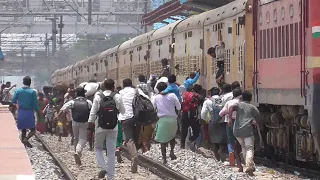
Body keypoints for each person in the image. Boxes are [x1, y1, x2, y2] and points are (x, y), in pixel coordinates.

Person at [88, 79, 125, 179]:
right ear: (113, 86)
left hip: (100, 127)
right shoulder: (117, 96)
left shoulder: (98, 97)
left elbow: (93, 112)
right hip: (113, 127)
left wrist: (90, 123)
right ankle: (111, 176)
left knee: (98, 148)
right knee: (111, 152)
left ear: (103, 86)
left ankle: (103, 167)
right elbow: (123, 111)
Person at [118, 78, 148, 172]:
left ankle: (134, 156)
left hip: (125, 118)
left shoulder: (121, 93)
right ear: (131, 84)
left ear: (123, 84)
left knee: (129, 139)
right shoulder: (136, 90)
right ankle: (135, 154)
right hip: (137, 117)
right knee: (135, 137)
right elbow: (147, 99)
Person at [228, 91, 261, 173]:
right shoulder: (252, 107)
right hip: (247, 130)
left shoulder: (239, 105)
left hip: (237, 131)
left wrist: (229, 119)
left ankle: (249, 165)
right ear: (251, 98)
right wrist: (257, 123)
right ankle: (249, 165)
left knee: (243, 146)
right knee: (249, 148)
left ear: (242, 98)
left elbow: (231, 107)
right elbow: (259, 118)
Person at [58, 87, 92, 165]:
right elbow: (93, 111)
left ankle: (77, 153)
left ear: (76, 94)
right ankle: (78, 151)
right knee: (83, 139)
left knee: (76, 138)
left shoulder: (72, 102)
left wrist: (57, 116)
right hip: (84, 122)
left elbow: (63, 109)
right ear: (84, 93)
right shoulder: (88, 102)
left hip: (75, 122)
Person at [152, 82, 181, 164]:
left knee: (163, 141)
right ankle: (172, 152)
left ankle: (164, 159)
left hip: (162, 120)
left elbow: (153, 108)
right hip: (173, 120)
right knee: (172, 137)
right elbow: (179, 107)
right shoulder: (172, 95)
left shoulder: (156, 97)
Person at [219, 88, 243, 172]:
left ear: (233, 95)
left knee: (230, 140)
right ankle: (240, 158)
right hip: (240, 122)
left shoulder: (229, 103)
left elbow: (221, 113)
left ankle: (231, 155)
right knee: (239, 139)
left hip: (229, 122)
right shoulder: (242, 103)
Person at [12, 76, 39, 148]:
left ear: (23, 82)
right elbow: (35, 104)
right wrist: (38, 111)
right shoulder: (32, 92)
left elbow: (13, 101)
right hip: (29, 112)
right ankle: (26, 139)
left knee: (23, 129)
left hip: (21, 112)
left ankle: (23, 146)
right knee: (33, 129)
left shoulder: (18, 91)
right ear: (30, 83)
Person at [201, 87, 227, 161]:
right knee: (223, 140)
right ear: (218, 93)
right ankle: (221, 150)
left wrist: (203, 123)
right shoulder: (223, 99)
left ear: (210, 93)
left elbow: (203, 114)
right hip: (222, 122)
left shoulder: (208, 101)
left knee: (213, 141)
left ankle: (217, 158)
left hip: (212, 123)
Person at [220, 83, 236, 166]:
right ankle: (239, 156)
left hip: (228, 120)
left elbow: (218, 106)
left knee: (230, 139)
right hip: (239, 121)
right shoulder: (238, 96)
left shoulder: (224, 97)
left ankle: (231, 153)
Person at [180, 84, 201, 149]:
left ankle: (182, 146)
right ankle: (191, 139)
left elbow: (181, 104)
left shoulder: (185, 94)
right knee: (197, 132)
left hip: (185, 114)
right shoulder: (198, 96)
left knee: (184, 131)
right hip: (193, 115)